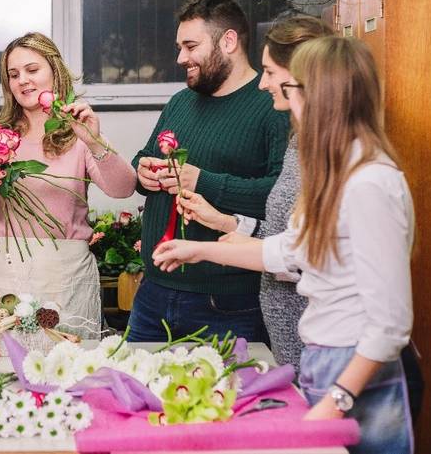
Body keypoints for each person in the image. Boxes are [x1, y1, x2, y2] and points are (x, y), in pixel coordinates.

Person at [153, 36, 414, 454]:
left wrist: (336, 402)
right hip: (325, 360)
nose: (277, 94)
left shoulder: (370, 183)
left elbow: (390, 327)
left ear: (320, 96)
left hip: (356, 373)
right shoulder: (336, 170)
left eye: (286, 87)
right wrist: (198, 249)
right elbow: (288, 251)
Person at [128, 0, 290, 343]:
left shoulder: (272, 107)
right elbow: (143, 158)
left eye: (190, 46)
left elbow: (282, 197)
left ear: (228, 41)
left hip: (227, 301)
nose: (180, 58)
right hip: (154, 291)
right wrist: (143, 172)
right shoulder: (181, 102)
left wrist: (202, 181)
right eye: (179, 47)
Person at [174, 15, 332, 372]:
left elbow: (303, 256)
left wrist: (204, 249)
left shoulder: (342, 159)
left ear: (302, 77)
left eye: (271, 73)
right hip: (295, 337)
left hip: (325, 351)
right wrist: (230, 224)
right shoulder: (301, 143)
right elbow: (291, 238)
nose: (263, 84)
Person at [0, 32, 136, 340]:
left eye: (32, 70)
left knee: (66, 373)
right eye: (13, 75)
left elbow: (123, 188)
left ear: (55, 71)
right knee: (1, 373)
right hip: (4, 276)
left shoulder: (77, 131)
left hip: (64, 279)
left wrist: (94, 142)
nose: (22, 81)